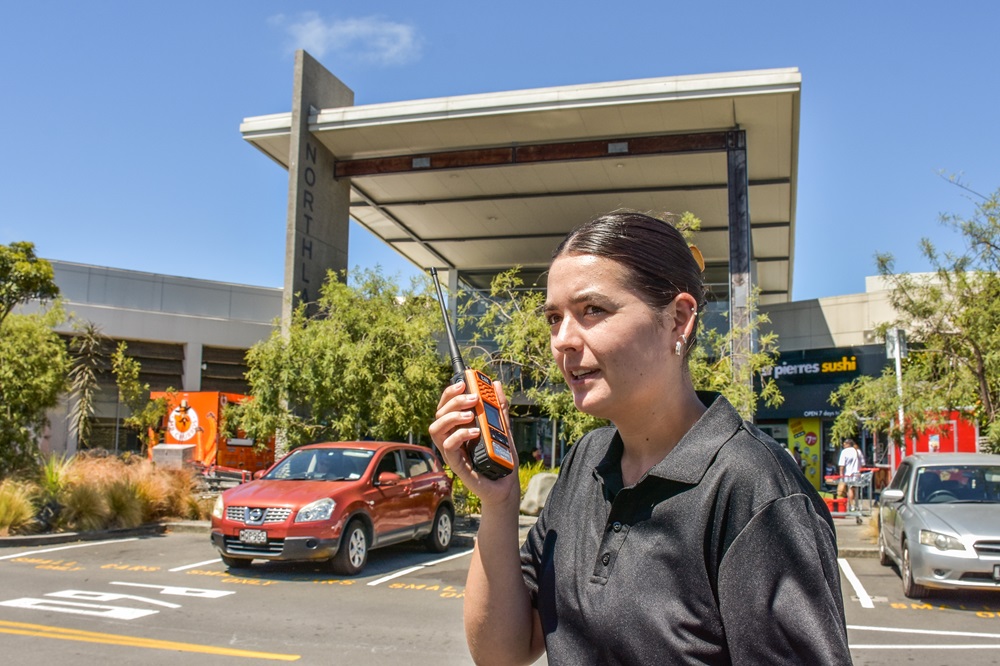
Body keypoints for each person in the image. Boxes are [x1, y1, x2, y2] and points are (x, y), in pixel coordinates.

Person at [429, 211, 851, 665]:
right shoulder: (584, 461)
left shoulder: (754, 491)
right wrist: (498, 502)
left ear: (678, 319)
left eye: (593, 310)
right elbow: (502, 653)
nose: (563, 340)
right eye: (554, 318)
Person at [839, 438, 861, 511]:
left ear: (848, 444)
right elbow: (863, 463)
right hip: (857, 474)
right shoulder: (857, 451)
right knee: (855, 489)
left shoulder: (845, 452)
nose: (843, 445)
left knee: (850, 490)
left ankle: (852, 505)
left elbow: (842, 465)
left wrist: (841, 476)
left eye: (844, 444)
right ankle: (856, 505)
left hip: (849, 474)